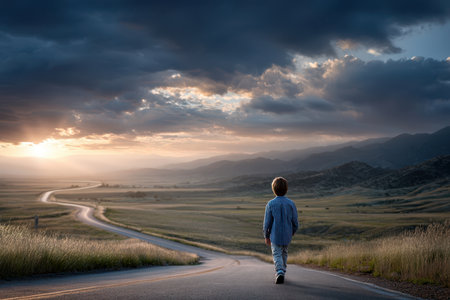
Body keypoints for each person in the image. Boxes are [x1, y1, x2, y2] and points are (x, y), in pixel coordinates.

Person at [263, 177, 299, 284]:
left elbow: (267, 223)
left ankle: (279, 272)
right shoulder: (291, 203)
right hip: (287, 234)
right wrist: (293, 231)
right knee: (284, 252)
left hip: (275, 235)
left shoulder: (270, 204)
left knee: (276, 253)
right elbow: (295, 221)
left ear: (273, 189)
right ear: (286, 189)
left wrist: (266, 235)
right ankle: (282, 270)